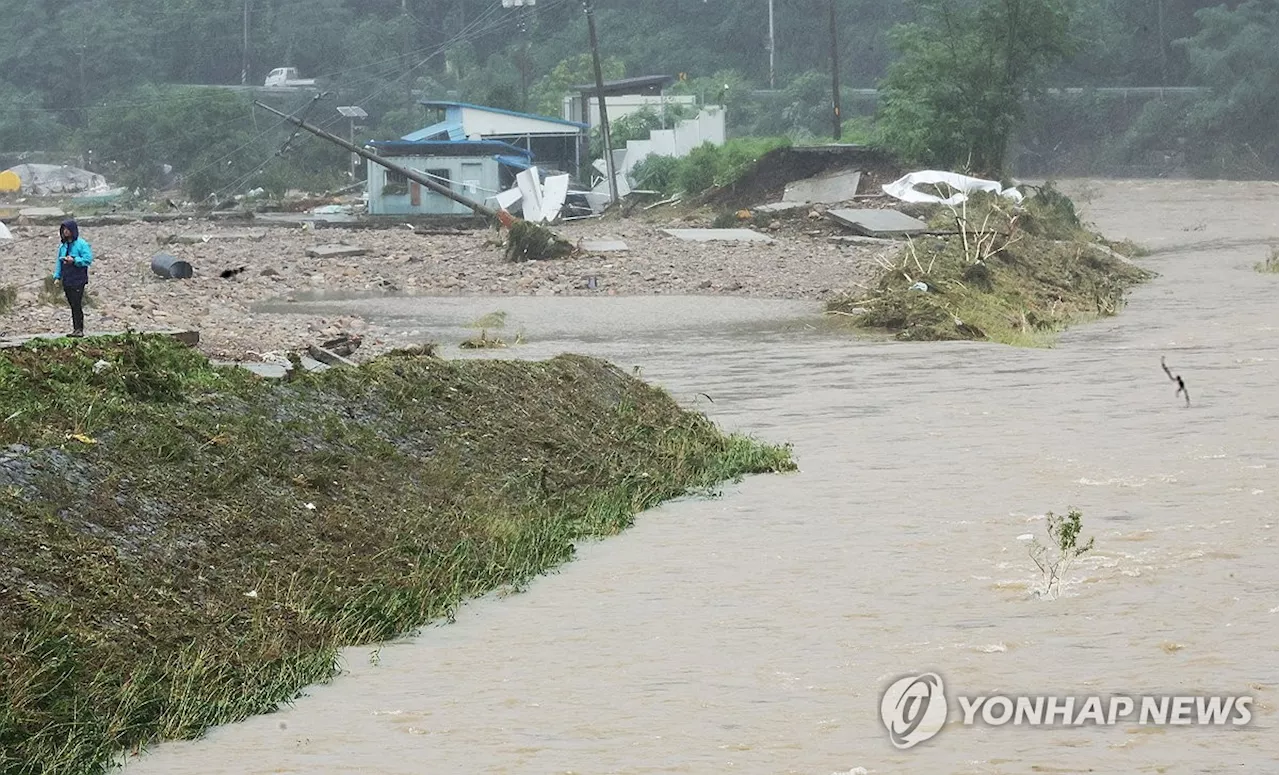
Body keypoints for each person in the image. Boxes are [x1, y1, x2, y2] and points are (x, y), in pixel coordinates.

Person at [52, 219, 92, 337]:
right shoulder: (63, 246)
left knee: (76, 303)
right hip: (67, 278)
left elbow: (88, 259)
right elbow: (59, 262)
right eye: (63, 229)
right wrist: (57, 276)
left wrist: (74, 260)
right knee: (71, 303)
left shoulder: (82, 244)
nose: (65, 232)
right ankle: (75, 329)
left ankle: (79, 329)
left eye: (67, 229)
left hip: (78, 278)